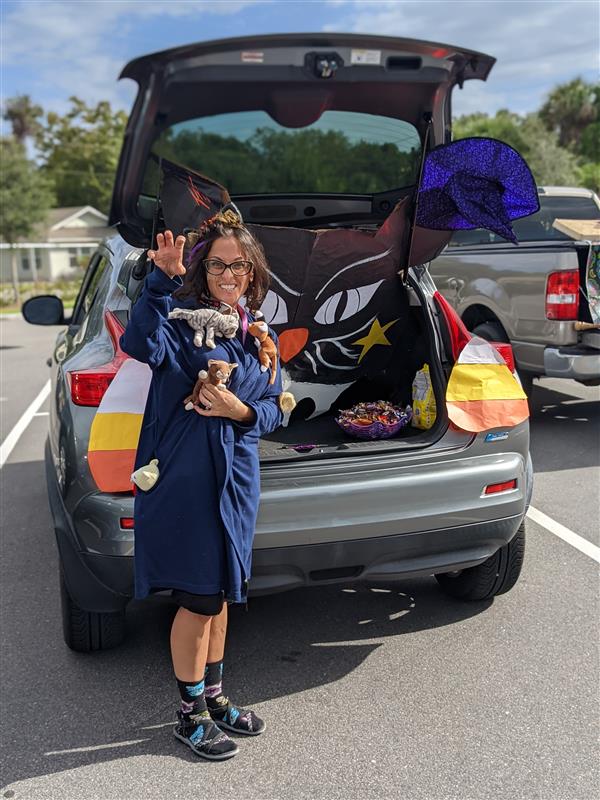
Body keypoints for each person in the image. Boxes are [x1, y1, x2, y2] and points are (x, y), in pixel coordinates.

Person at [120, 210, 283, 761]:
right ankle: (189, 716)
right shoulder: (179, 322)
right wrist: (160, 281)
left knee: (220, 597)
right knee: (197, 600)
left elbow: (273, 410)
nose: (228, 273)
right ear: (202, 270)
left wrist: (241, 411)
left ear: (253, 273)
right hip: (186, 484)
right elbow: (141, 343)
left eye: (238, 265)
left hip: (236, 483)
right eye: (216, 264)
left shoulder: (262, 337)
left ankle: (214, 699)